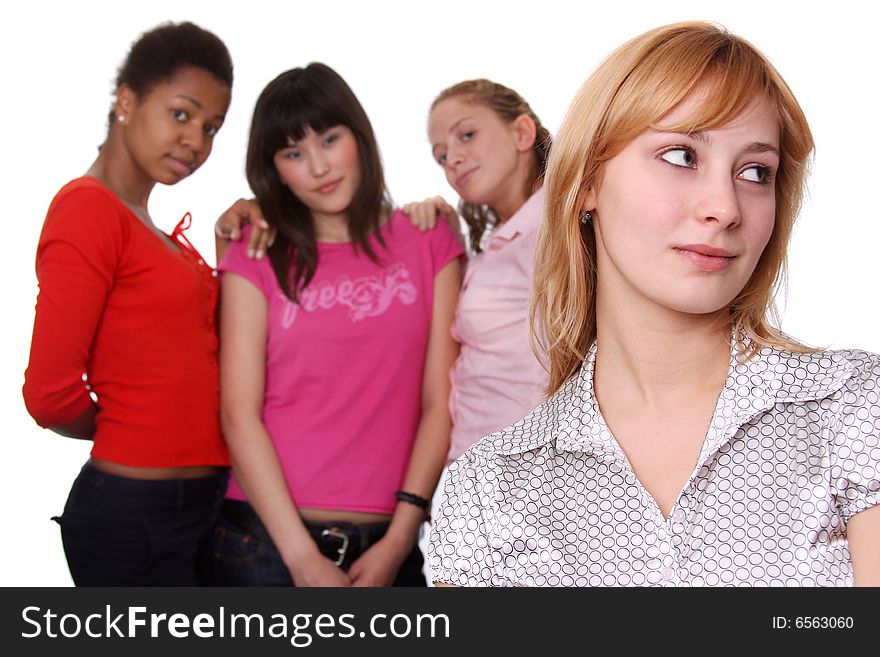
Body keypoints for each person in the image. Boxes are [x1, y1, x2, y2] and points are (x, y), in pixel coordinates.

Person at [428, 21, 880, 587]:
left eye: (755, 172)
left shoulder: (856, 411)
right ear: (588, 182)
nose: (724, 207)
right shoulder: (486, 488)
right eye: (681, 155)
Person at [213, 63, 463, 587]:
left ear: (359, 136)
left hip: (389, 544)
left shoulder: (428, 239)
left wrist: (399, 540)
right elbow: (239, 413)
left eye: (330, 139)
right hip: (263, 546)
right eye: (293, 153)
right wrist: (302, 559)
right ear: (274, 169)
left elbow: (441, 400)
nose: (319, 167)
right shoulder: (255, 250)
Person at [22, 22, 234, 585]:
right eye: (182, 114)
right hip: (134, 516)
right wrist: (128, 428)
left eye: (212, 127)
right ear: (127, 101)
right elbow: (48, 395)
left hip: (204, 505)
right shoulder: (88, 210)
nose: (197, 141)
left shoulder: (154, 232)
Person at [405, 79, 552, 464]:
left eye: (466, 135)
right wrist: (448, 239)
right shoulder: (499, 244)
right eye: (441, 155)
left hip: (530, 481)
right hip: (475, 480)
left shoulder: (559, 227)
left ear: (522, 132)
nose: (452, 159)